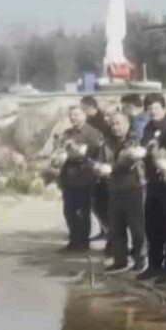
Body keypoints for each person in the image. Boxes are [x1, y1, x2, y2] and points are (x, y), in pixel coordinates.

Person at [139, 93, 166, 282]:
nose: (152, 111)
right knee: (151, 224)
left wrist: (164, 157)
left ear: (164, 108)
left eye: (155, 107)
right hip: (153, 182)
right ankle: (154, 265)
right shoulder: (148, 127)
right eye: (149, 108)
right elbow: (143, 149)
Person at [97, 112, 147, 274]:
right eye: (112, 124)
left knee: (137, 227)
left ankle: (141, 259)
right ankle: (120, 260)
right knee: (116, 227)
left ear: (127, 124)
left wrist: (110, 168)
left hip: (133, 188)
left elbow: (128, 160)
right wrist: (98, 169)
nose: (115, 127)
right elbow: (101, 161)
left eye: (118, 124)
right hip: (114, 189)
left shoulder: (134, 140)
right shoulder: (106, 143)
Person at [53, 105, 105, 252]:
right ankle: (73, 240)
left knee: (83, 211)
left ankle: (83, 242)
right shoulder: (67, 133)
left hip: (84, 177)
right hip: (68, 177)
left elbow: (93, 153)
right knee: (69, 211)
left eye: (77, 114)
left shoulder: (92, 133)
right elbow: (59, 151)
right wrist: (57, 158)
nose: (74, 118)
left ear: (84, 115)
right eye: (71, 115)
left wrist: (74, 150)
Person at [81, 96, 111, 238]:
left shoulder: (101, 123)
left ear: (89, 107)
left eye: (82, 108)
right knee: (96, 200)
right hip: (92, 163)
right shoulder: (90, 121)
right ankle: (104, 229)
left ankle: (108, 230)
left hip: (101, 165)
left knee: (100, 200)